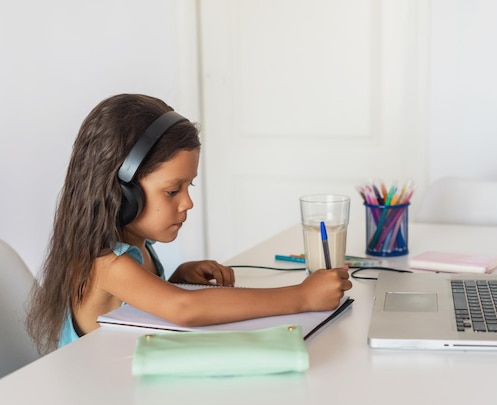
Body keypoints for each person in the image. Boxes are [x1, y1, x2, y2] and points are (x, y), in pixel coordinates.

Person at [27, 93, 352, 354]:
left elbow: (141, 307)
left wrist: (175, 277)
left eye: (188, 187)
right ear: (122, 194)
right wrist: (302, 297)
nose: (187, 203)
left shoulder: (138, 248)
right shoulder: (104, 263)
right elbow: (183, 307)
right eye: (172, 190)